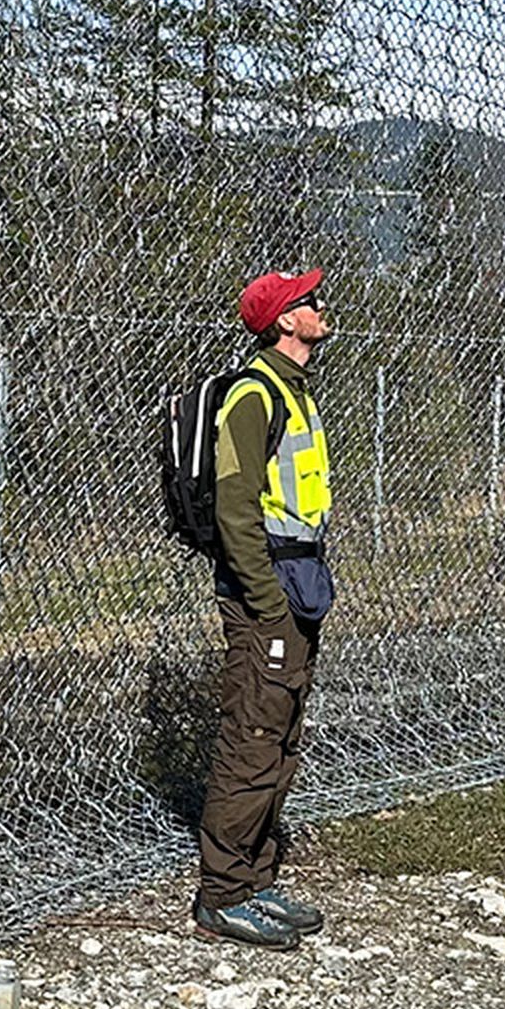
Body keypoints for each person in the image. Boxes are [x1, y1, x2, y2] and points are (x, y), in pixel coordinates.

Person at [196, 267, 335, 946]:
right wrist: (267, 604)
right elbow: (235, 510)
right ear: (284, 320)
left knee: (280, 736)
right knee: (252, 736)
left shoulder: (295, 391)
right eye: (307, 300)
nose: (319, 305)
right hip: (266, 598)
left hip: (298, 585)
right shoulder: (254, 396)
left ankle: (257, 877)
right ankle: (222, 892)